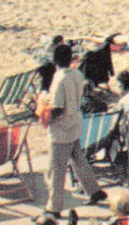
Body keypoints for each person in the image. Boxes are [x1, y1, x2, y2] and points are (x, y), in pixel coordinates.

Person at [44, 42, 104, 215]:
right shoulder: (77, 73)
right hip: (74, 122)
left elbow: (58, 107)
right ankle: (94, 190)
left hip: (61, 128)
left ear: (54, 60)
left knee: (57, 169)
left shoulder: (59, 79)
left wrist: (45, 117)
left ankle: (53, 208)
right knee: (78, 159)